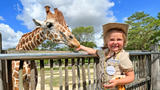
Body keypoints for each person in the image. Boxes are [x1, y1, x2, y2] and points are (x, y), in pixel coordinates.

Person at [76, 23, 134, 90]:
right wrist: (81, 47)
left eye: (119, 39)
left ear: (124, 42)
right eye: (112, 40)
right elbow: (94, 51)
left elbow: (131, 77)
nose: (115, 42)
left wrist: (117, 82)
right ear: (107, 42)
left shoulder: (123, 56)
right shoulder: (104, 52)